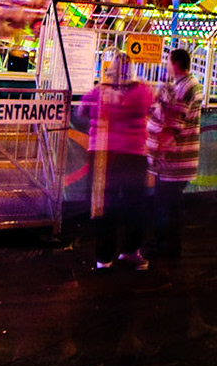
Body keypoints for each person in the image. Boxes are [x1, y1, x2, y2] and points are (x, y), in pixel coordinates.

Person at [81, 51, 154, 271]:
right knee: (134, 204)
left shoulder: (100, 91)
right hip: (133, 154)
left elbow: (82, 109)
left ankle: (104, 258)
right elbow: (149, 106)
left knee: (105, 205)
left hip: (103, 155)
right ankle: (130, 251)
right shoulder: (141, 90)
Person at [145, 47, 203, 270]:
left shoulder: (184, 88)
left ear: (175, 64)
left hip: (175, 159)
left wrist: (159, 148)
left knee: (166, 205)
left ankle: (166, 248)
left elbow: (173, 123)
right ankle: (168, 245)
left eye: (168, 62)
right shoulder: (187, 85)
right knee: (170, 204)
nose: (166, 66)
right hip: (178, 158)